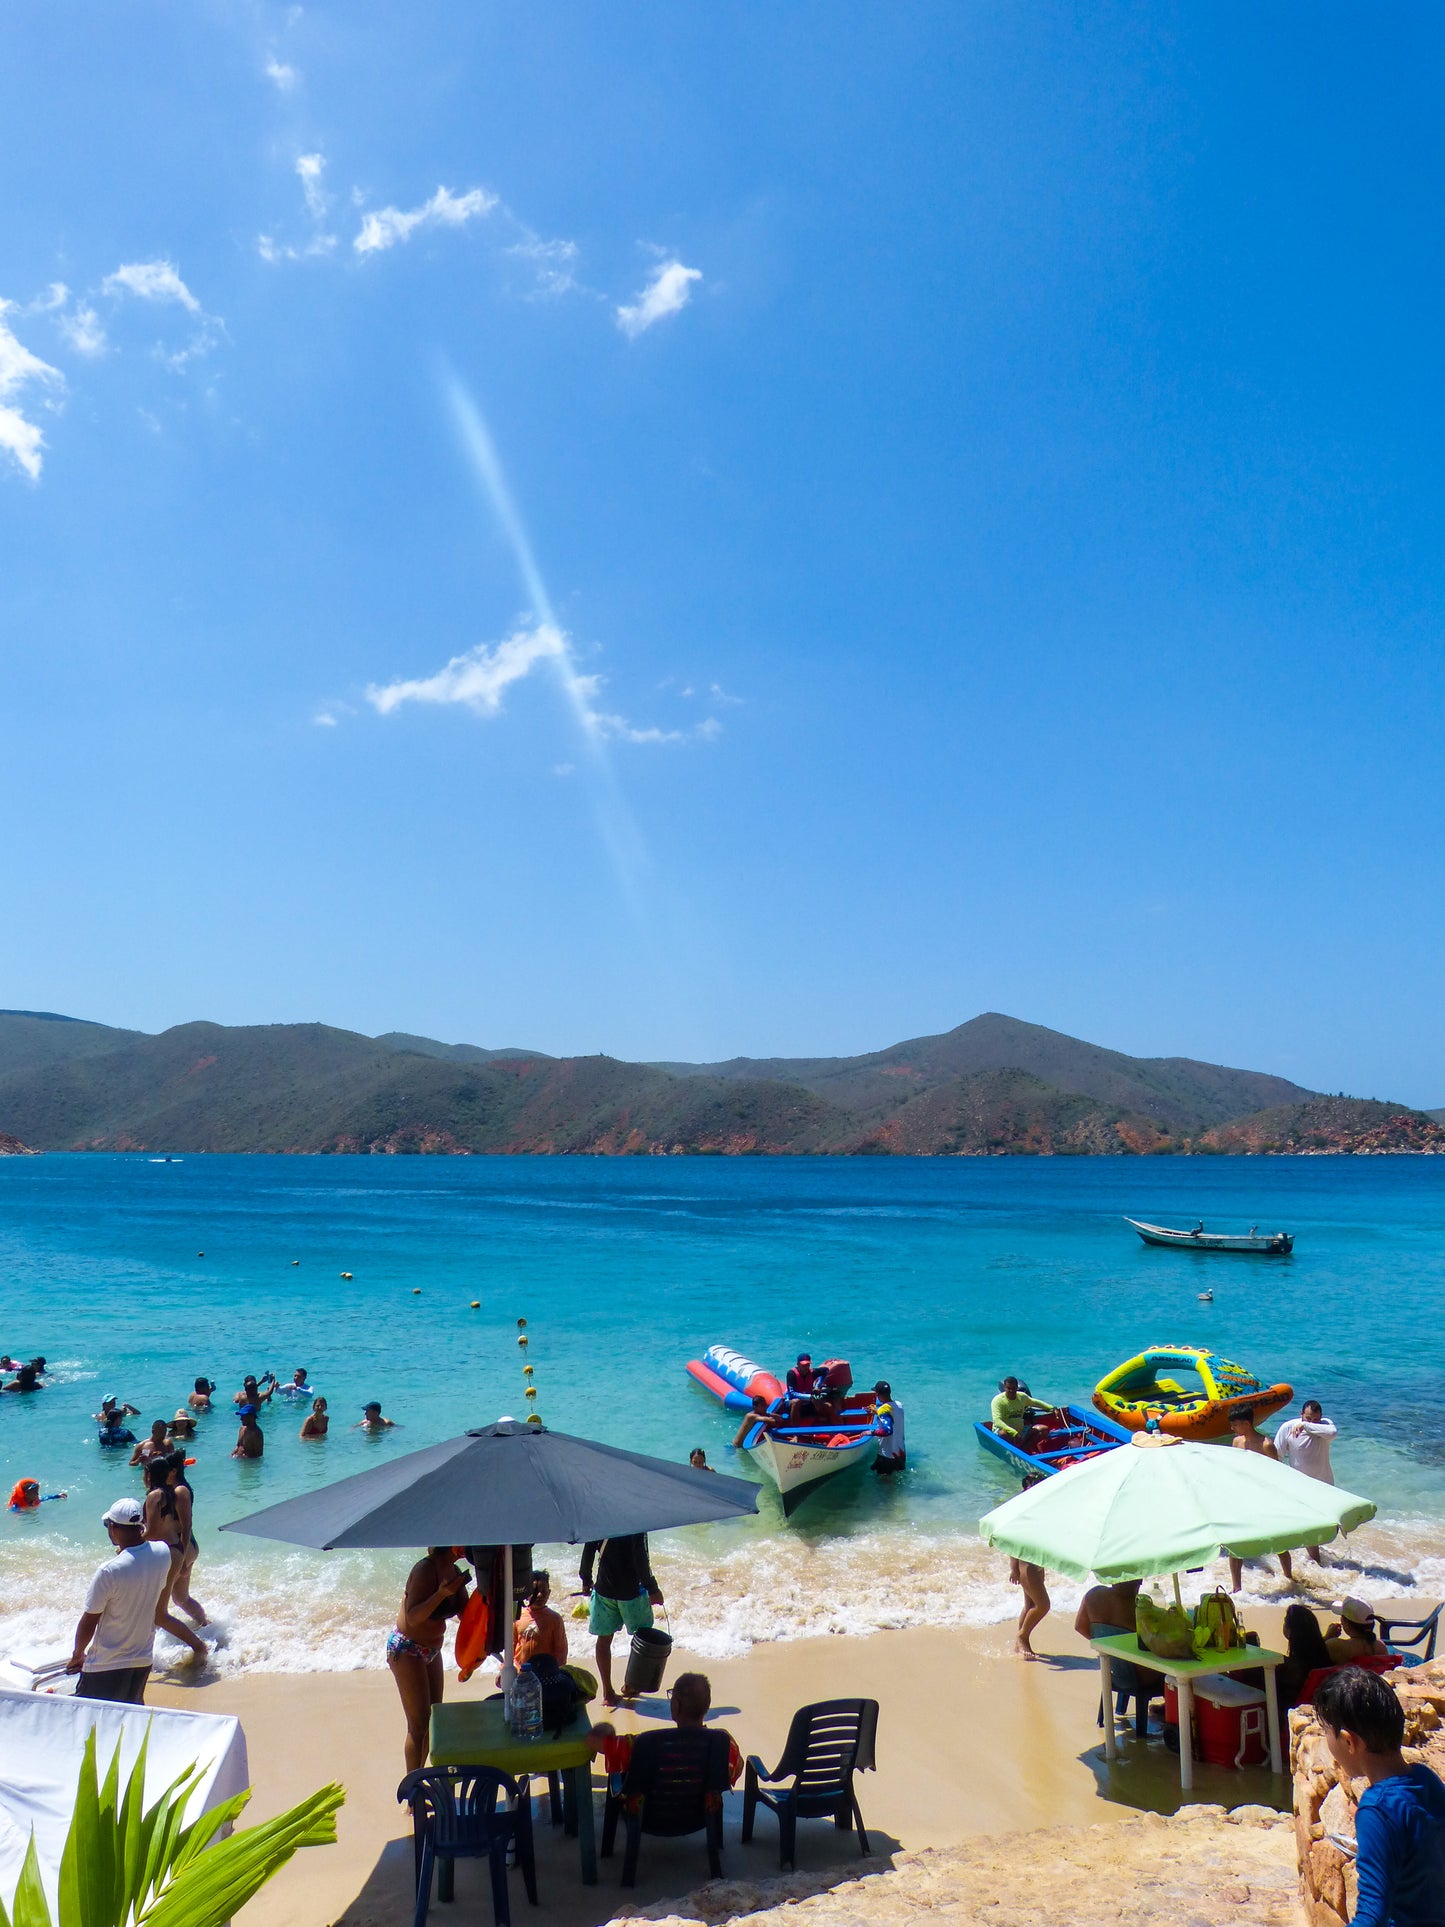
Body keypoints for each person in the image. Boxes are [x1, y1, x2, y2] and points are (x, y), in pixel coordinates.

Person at [1313, 1667, 1445, 1927]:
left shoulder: (1377, 1810)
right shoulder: (1425, 1779)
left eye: (1326, 1732)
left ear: (1348, 1742)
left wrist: (1373, 1822)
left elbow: (1372, 1916)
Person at [65, 1497, 174, 1703]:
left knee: (94, 1726)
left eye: (108, 1525)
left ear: (114, 1528)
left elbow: (90, 1620)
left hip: (105, 1665)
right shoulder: (162, 1552)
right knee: (129, 1721)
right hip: (142, 1660)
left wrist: (78, 1654)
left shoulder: (109, 1570)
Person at [388, 1548, 470, 1771]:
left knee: (434, 1718)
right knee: (418, 1725)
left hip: (432, 1650)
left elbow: (467, 1616)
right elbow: (413, 1617)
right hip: (407, 1648)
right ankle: (412, 1796)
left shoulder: (454, 1571)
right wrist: (442, 1594)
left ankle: (420, 1778)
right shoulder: (425, 1569)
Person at [580, 1532, 663, 1708]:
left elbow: (588, 1550)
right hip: (631, 1593)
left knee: (603, 1640)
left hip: (604, 1591)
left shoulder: (600, 1518)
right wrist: (653, 1588)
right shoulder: (635, 1520)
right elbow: (640, 1557)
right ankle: (631, 1685)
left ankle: (608, 1693)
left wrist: (586, 1579)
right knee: (642, 1638)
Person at [142, 1460, 206, 1662]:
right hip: (174, 1551)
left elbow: (152, 1532)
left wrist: (130, 1543)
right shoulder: (173, 1493)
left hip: (169, 1553)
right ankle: (207, 1627)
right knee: (179, 1599)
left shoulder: (155, 1496)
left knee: (158, 1613)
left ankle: (199, 1646)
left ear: (150, 1476)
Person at [1226, 1409, 1293, 1588]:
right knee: (1236, 1544)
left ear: (1247, 1423)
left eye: (1235, 1424)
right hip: (1242, 1498)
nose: (1232, 1427)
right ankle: (1236, 1587)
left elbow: (1278, 1475)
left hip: (1265, 1500)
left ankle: (1289, 1578)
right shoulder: (1236, 1442)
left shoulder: (1266, 1445)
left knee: (1278, 1541)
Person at [1273, 1399, 1338, 1564]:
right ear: (1300, 1414)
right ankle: (1315, 1560)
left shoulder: (1325, 1426)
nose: (1311, 1422)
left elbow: (1332, 1433)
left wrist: (1306, 1426)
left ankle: (1314, 1557)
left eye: (1315, 1419)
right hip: (1300, 1487)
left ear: (1321, 1418)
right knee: (1310, 1524)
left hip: (1324, 1485)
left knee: (1331, 1526)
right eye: (1307, 1418)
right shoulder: (1288, 1427)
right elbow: (1277, 1456)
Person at [165, 1454, 207, 1628]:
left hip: (184, 1547)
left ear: (173, 1471)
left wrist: (181, 1558)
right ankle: (207, 1626)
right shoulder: (176, 1488)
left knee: (157, 1603)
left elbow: (186, 1525)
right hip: (187, 1546)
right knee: (181, 1598)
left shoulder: (180, 1491)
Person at [1273, 1602, 1333, 1716]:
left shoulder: (1289, 1667)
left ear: (1291, 1631)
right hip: (1317, 1711)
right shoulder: (1323, 1658)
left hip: (1291, 1714)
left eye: (1285, 1622)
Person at [514, 1570, 569, 1670]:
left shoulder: (555, 1619)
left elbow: (561, 1651)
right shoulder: (518, 1617)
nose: (539, 1595)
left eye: (543, 1591)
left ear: (549, 1592)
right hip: (521, 1674)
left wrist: (557, 1672)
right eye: (535, 1591)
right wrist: (504, 1669)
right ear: (526, 1593)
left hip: (545, 1673)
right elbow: (510, 1648)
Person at [1326, 1596, 1388, 1664]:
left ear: (1346, 1624)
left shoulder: (1335, 1646)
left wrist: (1327, 1637)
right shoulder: (1380, 1646)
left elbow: (1314, 1658)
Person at [1010, 1557, 1050, 1658]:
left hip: (1037, 1564)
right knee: (1043, 1605)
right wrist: (1014, 1568)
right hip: (1027, 1566)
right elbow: (1015, 1545)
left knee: (1030, 1605)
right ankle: (1021, 1637)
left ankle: (1020, 1644)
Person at [990, 1377, 1050, 1444]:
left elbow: (1035, 1402)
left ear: (1017, 1387)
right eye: (1009, 1388)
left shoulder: (1022, 1397)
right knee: (1003, 1433)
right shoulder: (998, 1400)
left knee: (1043, 1429)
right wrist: (1014, 1433)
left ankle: (1024, 1448)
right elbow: (997, 1421)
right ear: (1004, 1388)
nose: (1011, 1391)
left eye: (1013, 1388)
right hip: (1004, 1431)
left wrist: (1052, 1408)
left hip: (1019, 1430)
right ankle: (1014, 1448)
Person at [873, 1379, 906, 1474]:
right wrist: (877, 1411)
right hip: (900, 1453)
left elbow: (887, 1431)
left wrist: (870, 1433)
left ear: (877, 1394)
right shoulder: (899, 1405)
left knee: (884, 1483)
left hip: (886, 1455)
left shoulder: (883, 1410)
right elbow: (891, 1412)